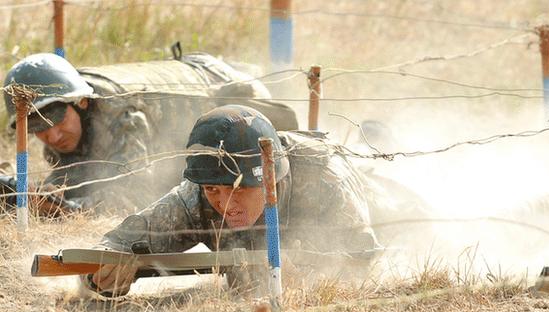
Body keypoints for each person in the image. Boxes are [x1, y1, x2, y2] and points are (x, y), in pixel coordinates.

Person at [82, 105, 381, 297]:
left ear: (270, 179)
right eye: (214, 190)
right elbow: (119, 242)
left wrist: (311, 281)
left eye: (238, 190)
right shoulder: (198, 193)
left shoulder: (324, 180)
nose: (225, 205)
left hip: (371, 187)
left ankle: (376, 135)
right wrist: (101, 276)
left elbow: (363, 262)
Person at [1, 53, 298, 214]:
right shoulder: (67, 116)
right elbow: (80, 177)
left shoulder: (121, 112)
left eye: (57, 121)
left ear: (80, 102)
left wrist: (70, 208)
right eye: (38, 128)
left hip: (233, 88)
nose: (52, 137)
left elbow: (133, 195)